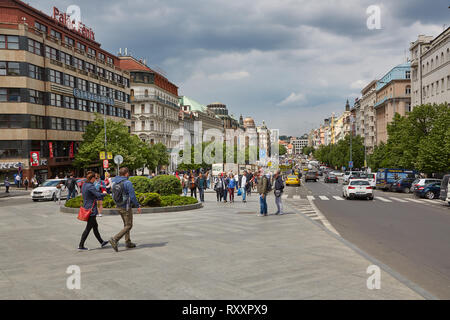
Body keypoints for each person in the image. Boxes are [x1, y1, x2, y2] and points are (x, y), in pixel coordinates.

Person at [109, 167, 142, 252]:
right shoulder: (127, 183)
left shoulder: (114, 182)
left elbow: (112, 194)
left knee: (126, 224)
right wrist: (137, 205)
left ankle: (128, 242)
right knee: (129, 225)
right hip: (126, 207)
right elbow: (132, 196)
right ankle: (115, 239)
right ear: (126, 173)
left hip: (118, 206)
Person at [78, 172, 109, 251]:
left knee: (95, 226)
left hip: (87, 207)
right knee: (88, 228)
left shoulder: (85, 185)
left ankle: (101, 242)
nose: (95, 179)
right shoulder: (90, 186)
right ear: (92, 178)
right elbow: (98, 195)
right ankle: (81, 245)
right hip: (91, 210)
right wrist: (104, 194)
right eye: (95, 178)